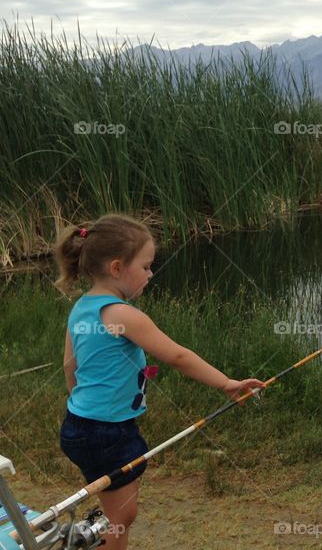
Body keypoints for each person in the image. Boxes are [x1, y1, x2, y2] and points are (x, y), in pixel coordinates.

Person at [54, 214, 264, 550]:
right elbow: (177, 356)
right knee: (119, 520)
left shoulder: (82, 308)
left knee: (119, 512)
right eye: (147, 266)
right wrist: (226, 383)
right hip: (109, 432)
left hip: (80, 425)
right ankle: (88, 539)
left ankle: (88, 536)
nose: (151, 275)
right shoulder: (122, 315)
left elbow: (70, 366)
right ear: (117, 267)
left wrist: (83, 409)